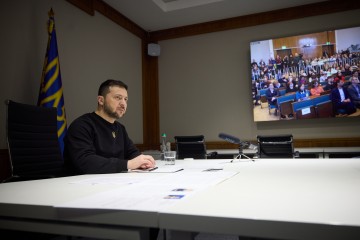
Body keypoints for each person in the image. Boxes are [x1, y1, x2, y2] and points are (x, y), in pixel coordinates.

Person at [64, 79, 156, 175]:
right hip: (81, 185)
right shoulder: (82, 125)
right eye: (118, 98)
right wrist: (128, 164)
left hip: (112, 182)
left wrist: (144, 161)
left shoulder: (120, 128)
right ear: (101, 100)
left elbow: (132, 153)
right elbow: (85, 162)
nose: (123, 103)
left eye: (125, 99)